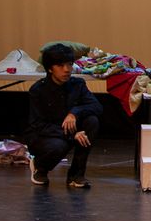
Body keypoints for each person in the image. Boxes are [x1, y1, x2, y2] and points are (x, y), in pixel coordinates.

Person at [27, 43, 103, 188]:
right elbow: (38, 125)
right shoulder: (38, 90)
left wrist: (74, 112)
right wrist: (72, 135)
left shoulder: (77, 84)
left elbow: (97, 107)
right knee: (59, 145)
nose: (67, 70)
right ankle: (40, 167)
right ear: (50, 68)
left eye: (69, 64)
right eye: (60, 66)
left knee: (92, 121)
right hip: (46, 135)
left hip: (69, 129)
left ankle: (76, 174)